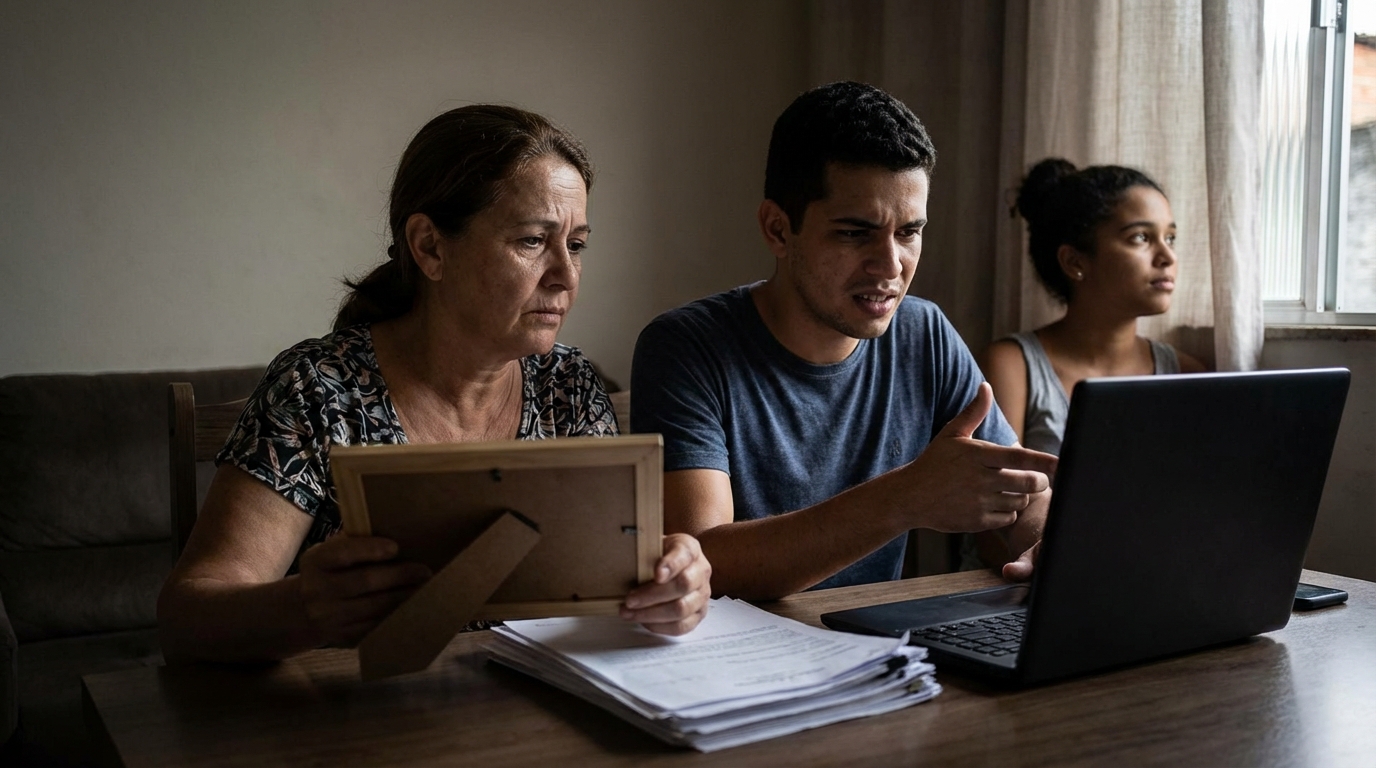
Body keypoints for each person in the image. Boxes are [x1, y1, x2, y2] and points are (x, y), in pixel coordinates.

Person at [158, 106, 712, 663]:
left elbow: (605, 590)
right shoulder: (317, 389)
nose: (566, 275)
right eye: (530, 241)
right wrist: (304, 606)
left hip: (532, 716)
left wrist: (669, 584)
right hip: (355, 726)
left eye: (578, 245)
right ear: (430, 247)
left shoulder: (566, 386)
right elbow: (188, 616)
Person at [629, 82, 1058, 602]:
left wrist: (1047, 546)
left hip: (879, 656)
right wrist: (905, 497)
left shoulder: (924, 333)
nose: (891, 265)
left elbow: (1024, 499)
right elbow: (704, 562)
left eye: (908, 232)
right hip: (736, 663)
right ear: (779, 230)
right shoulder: (685, 346)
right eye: (856, 233)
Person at [982, 158, 1207, 456]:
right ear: (1075, 261)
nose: (1168, 256)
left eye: (1170, 238)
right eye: (1140, 237)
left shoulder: (1185, 372)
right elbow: (999, 493)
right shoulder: (1013, 366)